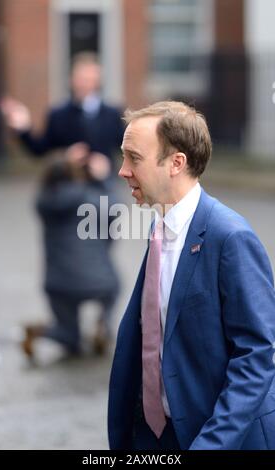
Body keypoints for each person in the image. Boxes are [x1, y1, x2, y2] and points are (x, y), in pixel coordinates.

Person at [108, 101, 275, 450]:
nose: (123, 170)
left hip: (214, 438)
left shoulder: (230, 237)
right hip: (156, 436)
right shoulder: (159, 223)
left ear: (176, 163)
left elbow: (257, 355)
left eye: (133, 158)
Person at [21, 152, 119, 358]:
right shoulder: (92, 198)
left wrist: (65, 161)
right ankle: (104, 323)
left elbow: (55, 178)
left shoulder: (43, 202)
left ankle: (44, 332)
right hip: (100, 280)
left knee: (70, 339)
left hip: (59, 284)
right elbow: (114, 210)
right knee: (114, 287)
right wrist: (103, 179)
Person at [0, 52, 124, 172]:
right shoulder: (58, 114)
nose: (86, 84)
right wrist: (24, 128)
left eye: (90, 79)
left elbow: (125, 147)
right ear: (72, 80)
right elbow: (39, 150)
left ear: (98, 82)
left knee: (104, 196)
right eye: (82, 79)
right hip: (67, 185)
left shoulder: (112, 114)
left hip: (103, 185)